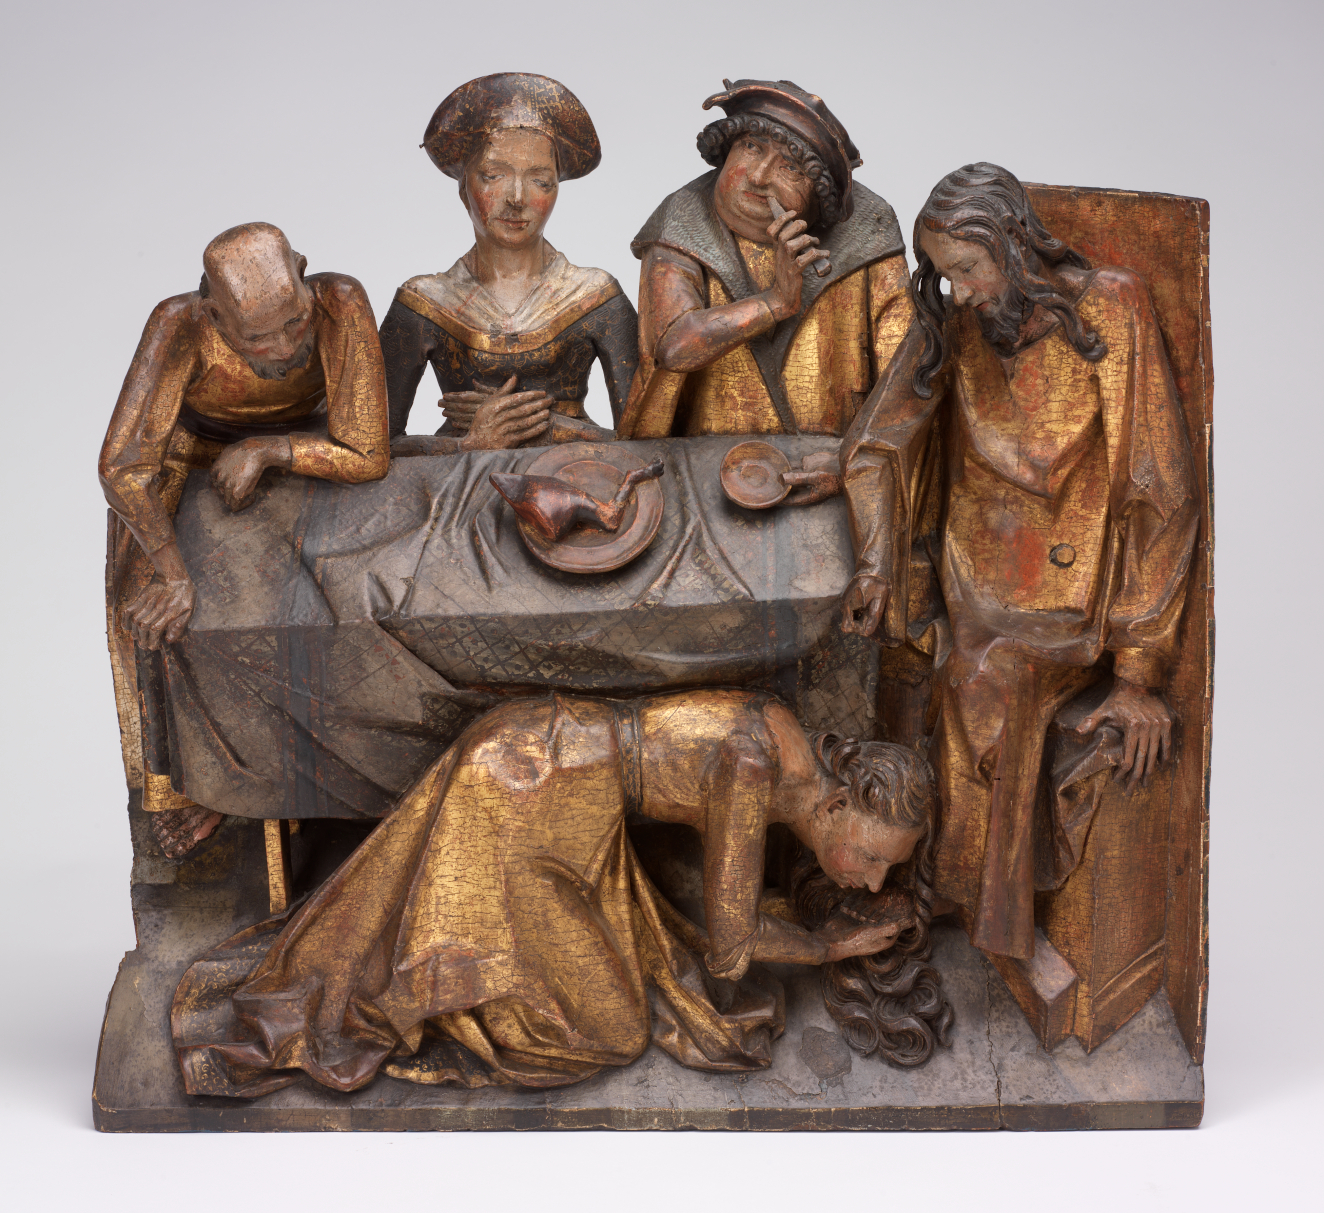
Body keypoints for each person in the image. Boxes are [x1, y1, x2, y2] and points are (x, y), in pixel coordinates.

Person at [172, 688, 951, 1096]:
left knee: (619, 1000)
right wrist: (825, 946)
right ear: (839, 804)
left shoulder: (786, 739)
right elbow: (729, 949)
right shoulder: (756, 765)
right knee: (616, 1032)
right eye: (872, 857)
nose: (872, 878)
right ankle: (442, 1006)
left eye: (884, 871)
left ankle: (473, 987)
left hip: (572, 796)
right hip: (532, 788)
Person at [840, 164, 1198, 960]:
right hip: (969, 584)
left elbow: (1160, 491)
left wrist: (1139, 670)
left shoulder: (1112, 308)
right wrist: (875, 564)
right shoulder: (956, 324)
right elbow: (876, 442)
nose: (961, 291)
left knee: (984, 686)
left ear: (1014, 243)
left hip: (1063, 605)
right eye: (945, 274)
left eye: (970, 268)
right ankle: (936, 893)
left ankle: (981, 924)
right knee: (914, 663)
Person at [99, 222, 391, 856]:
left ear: (305, 274)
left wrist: (270, 449)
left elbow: (368, 450)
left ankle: (337, 778)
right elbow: (122, 467)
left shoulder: (340, 301)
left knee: (346, 601)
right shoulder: (179, 324)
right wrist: (173, 573)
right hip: (191, 462)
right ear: (212, 314)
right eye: (257, 337)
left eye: (294, 322)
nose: (284, 348)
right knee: (153, 618)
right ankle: (196, 787)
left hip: (307, 455)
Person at [620, 79, 913, 444]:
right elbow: (674, 346)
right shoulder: (682, 219)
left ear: (819, 194)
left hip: (831, 458)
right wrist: (775, 302)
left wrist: (856, 459)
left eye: (791, 168)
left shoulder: (869, 231)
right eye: (751, 147)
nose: (759, 177)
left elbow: (903, 379)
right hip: (701, 454)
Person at [380, 73, 638, 455]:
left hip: (574, 472)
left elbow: (649, 439)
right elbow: (372, 446)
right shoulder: (425, 302)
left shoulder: (595, 295)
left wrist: (547, 428)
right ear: (464, 187)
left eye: (540, 181)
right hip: (460, 479)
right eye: (493, 175)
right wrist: (471, 444)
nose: (517, 198)